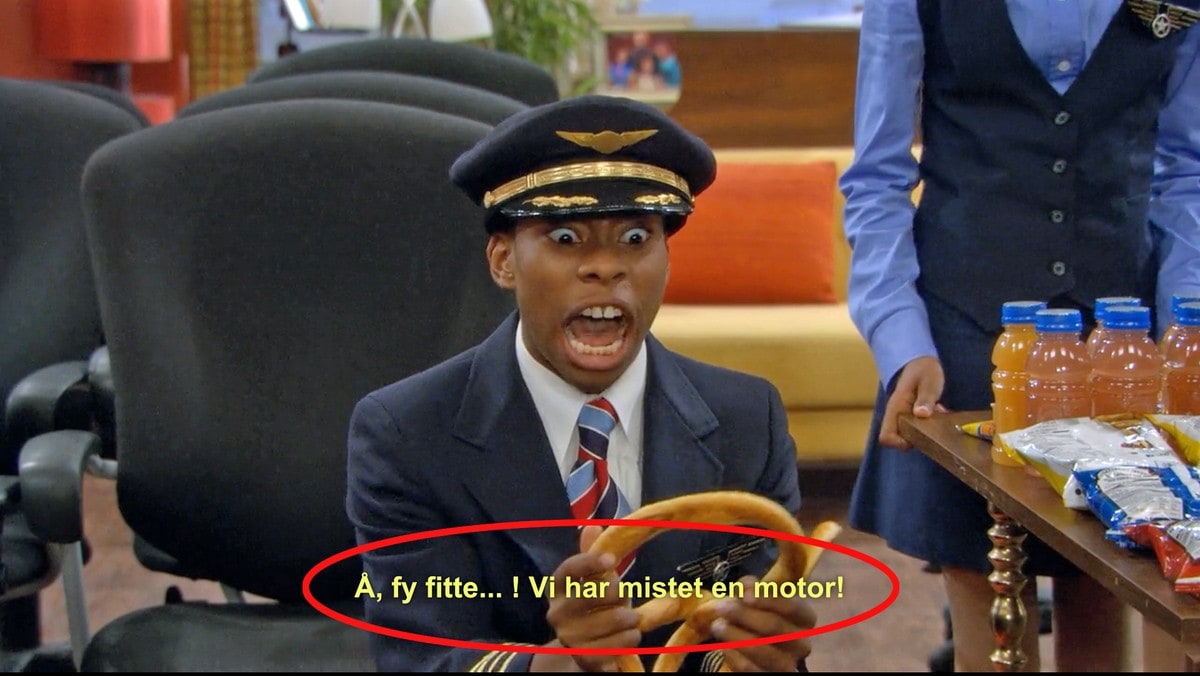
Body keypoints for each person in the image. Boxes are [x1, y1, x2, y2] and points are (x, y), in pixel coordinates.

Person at [346, 94, 816, 673]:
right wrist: (558, 665)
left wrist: (752, 655)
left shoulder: (748, 421)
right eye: (565, 238)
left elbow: (747, 617)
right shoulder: (408, 433)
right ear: (503, 261)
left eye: (636, 238)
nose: (606, 266)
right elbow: (424, 658)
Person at [840, 0, 1200, 671]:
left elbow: (1188, 174)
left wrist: (1185, 329)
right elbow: (877, 178)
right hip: (963, 331)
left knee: (1109, 582)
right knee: (986, 595)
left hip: (1117, 340)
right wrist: (901, 338)